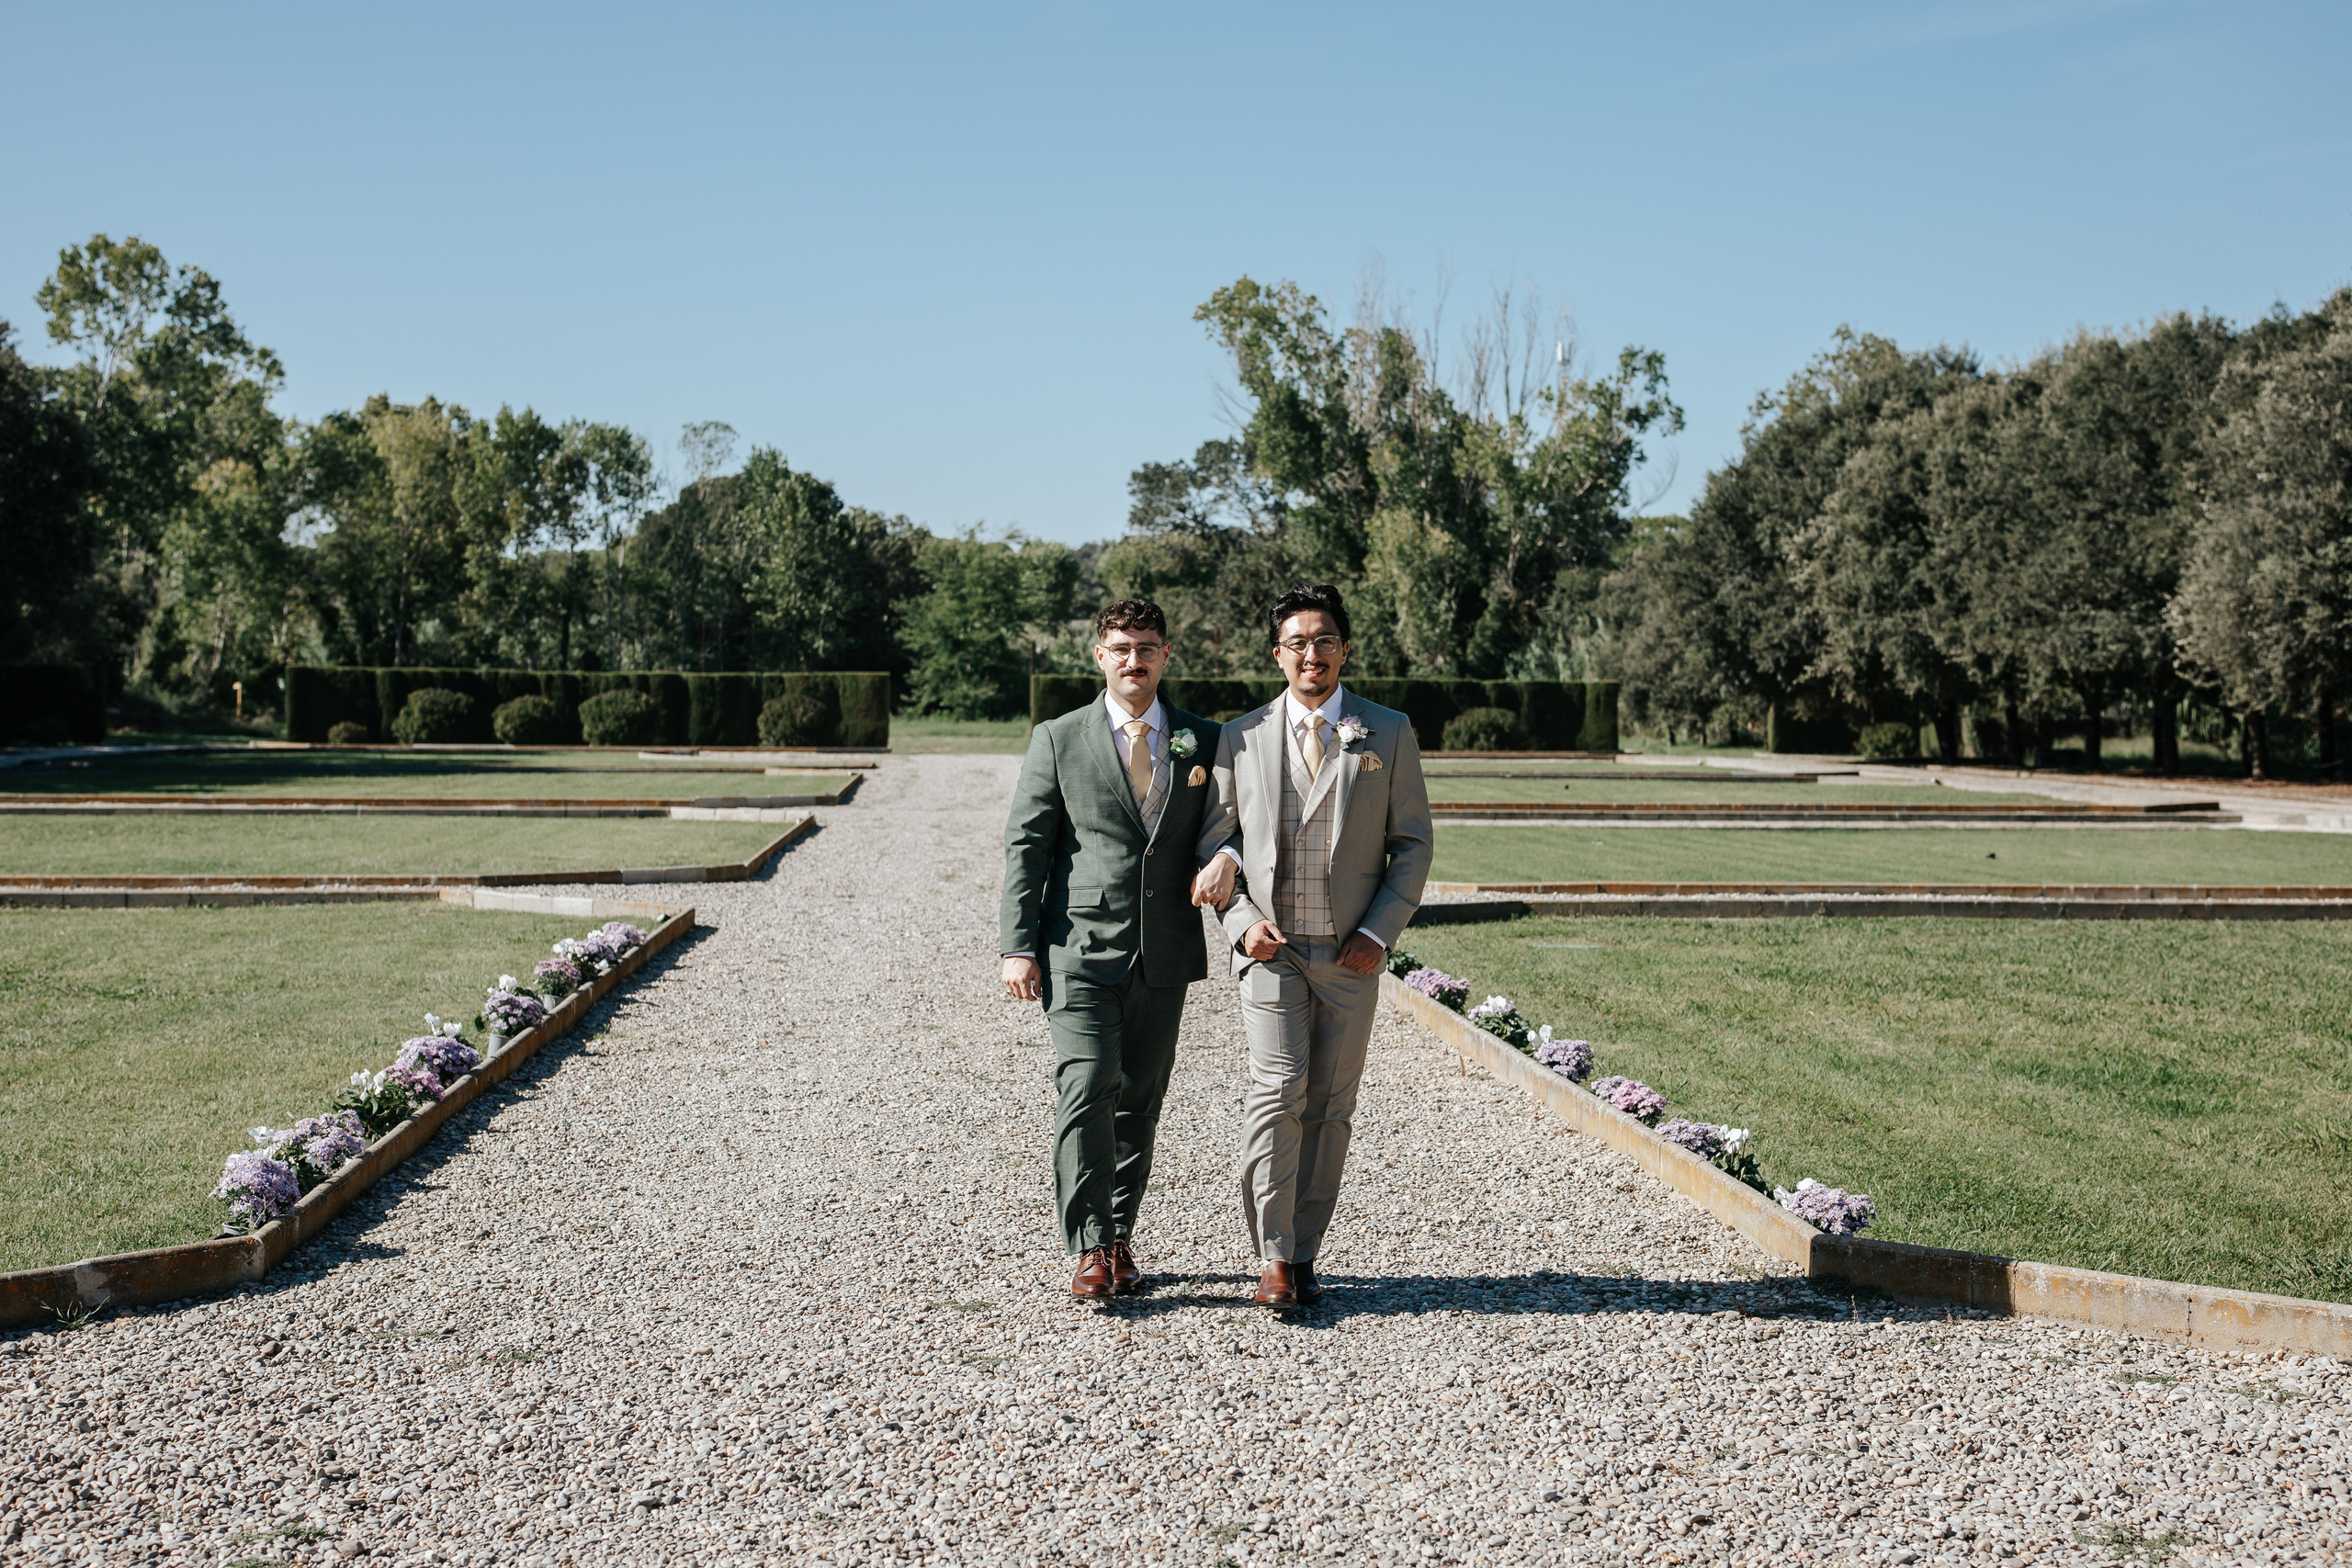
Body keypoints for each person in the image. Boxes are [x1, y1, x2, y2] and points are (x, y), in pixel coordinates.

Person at [1190, 583, 1432, 1307]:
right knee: (1277, 1089)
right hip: (1271, 949)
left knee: (1330, 1102)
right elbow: (1215, 835)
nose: (1311, 654)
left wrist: (1377, 932)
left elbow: (1413, 844)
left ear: (1344, 650)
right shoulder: (1241, 735)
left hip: (1350, 953)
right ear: (1277, 655)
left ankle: (1303, 1250)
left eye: (1324, 641)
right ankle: (1270, 1254)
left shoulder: (1385, 730)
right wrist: (1238, 920)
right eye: (1297, 642)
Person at [1001, 599, 1220, 1300]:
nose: (1134, 659)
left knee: (1140, 1102)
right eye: (1121, 647)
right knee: (1088, 1083)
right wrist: (1017, 945)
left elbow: (1235, 822)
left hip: (1165, 951)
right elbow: (1028, 844)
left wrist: (1231, 860)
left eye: (1147, 647)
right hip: (1077, 947)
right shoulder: (1059, 738)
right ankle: (1090, 1244)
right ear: (1100, 655)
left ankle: (1121, 1234)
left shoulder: (1202, 739)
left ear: (1165, 655)